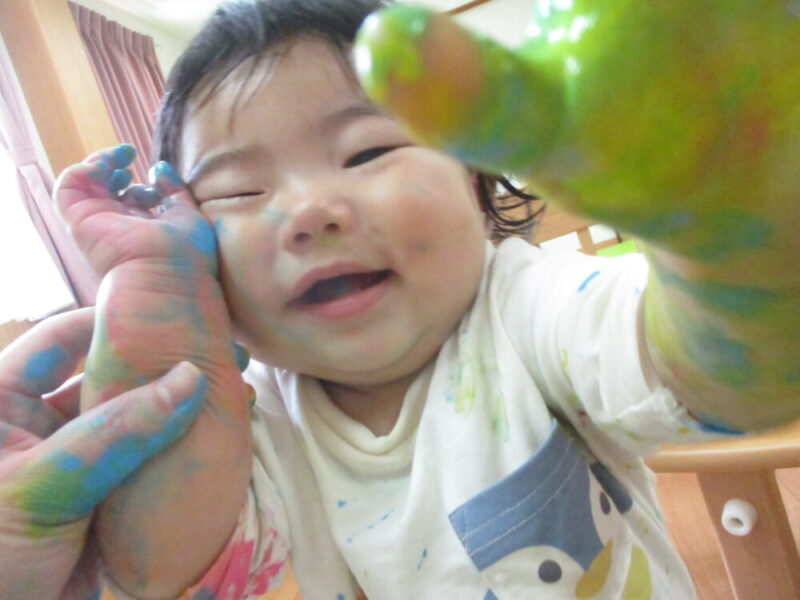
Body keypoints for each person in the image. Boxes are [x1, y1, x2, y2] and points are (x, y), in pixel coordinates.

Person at [2, 0, 797, 598]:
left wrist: (727, 250)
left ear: (477, 185)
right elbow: (158, 563)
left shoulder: (522, 307)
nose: (310, 211)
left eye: (367, 151)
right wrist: (157, 304)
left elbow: (704, 370)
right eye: (238, 191)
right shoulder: (249, 420)